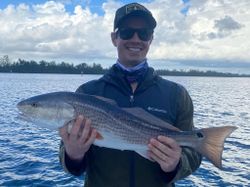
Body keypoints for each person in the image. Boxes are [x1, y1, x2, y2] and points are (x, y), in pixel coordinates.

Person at [59, 2, 202, 187]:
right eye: (127, 32)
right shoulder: (87, 94)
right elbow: (70, 163)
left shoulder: (176, 94)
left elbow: (194, 153)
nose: (136, 39)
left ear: (151, 39)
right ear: (114, 38)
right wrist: (73, 154)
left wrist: (176, 164)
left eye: (144, 34)